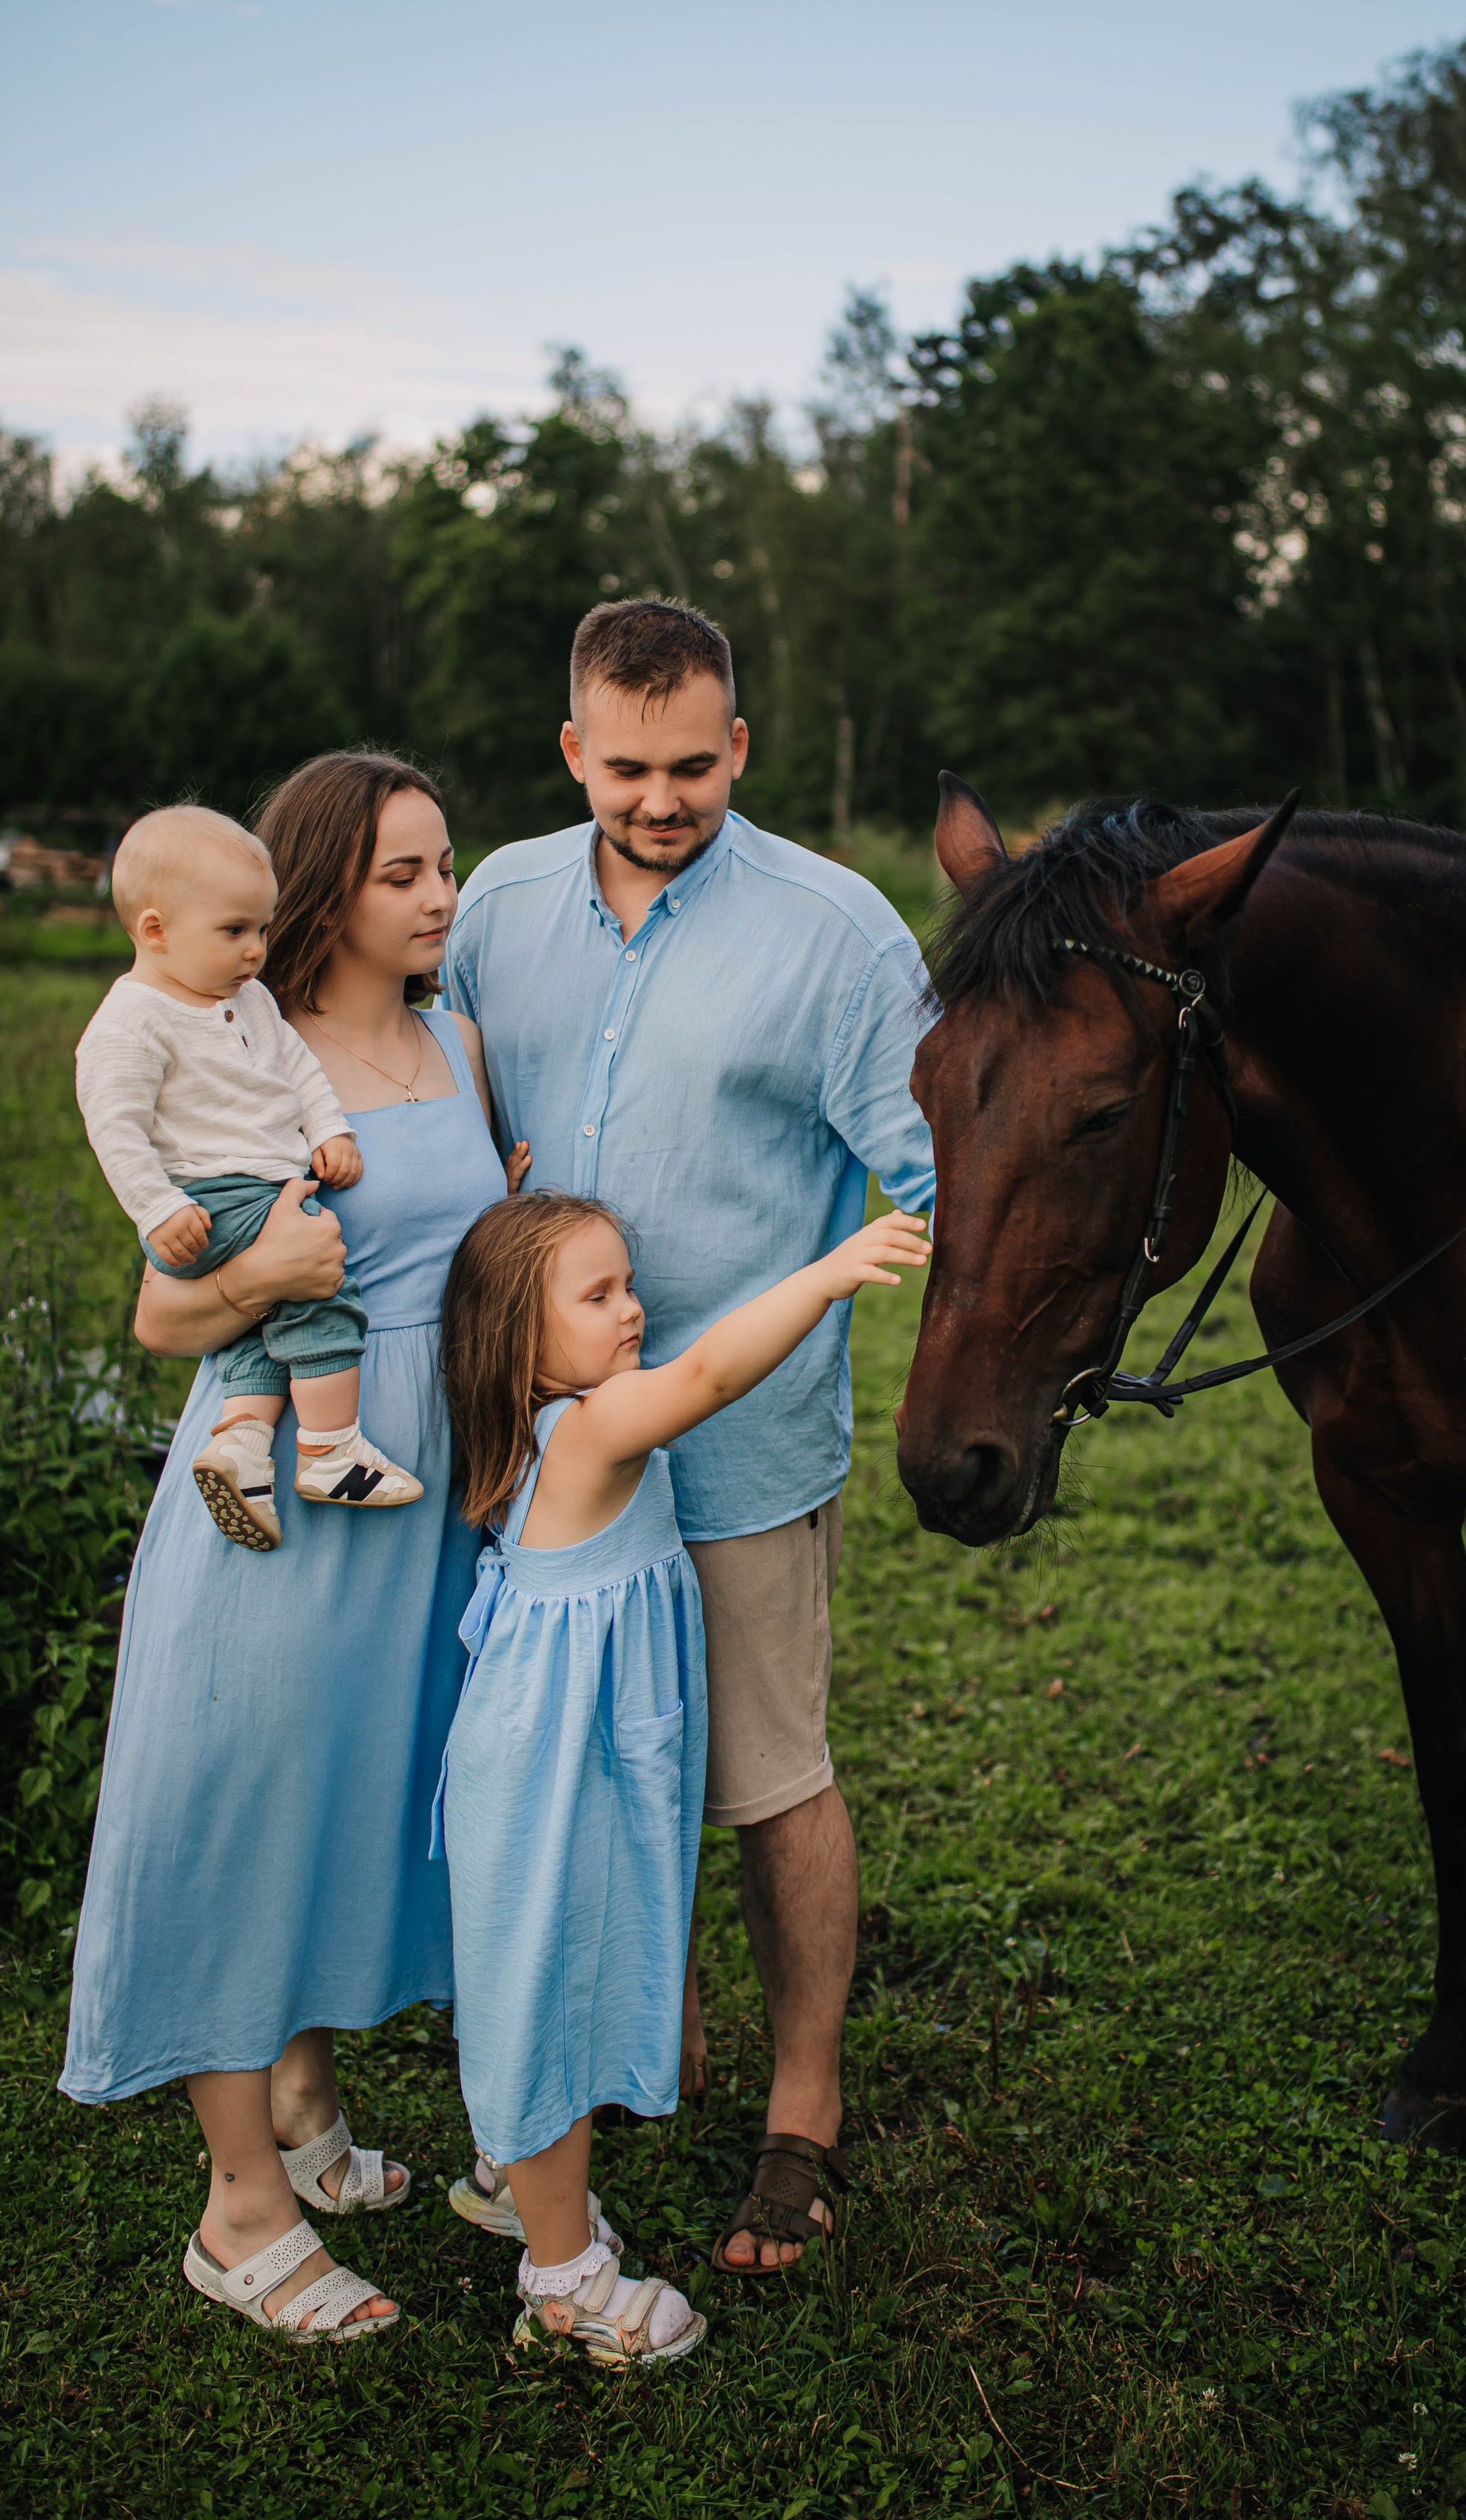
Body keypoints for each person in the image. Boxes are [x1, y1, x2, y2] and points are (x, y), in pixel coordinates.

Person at [442, 596, 936, 2277]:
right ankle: (655, 2032)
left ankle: (803, 2109)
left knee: (768, 1780)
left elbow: (938, 1174)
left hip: (740, 1450)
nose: (660, 799)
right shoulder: (494, 907)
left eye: (691, 766)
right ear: (572, 749)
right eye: (625, 768)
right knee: (578, 1767)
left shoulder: (840, 936)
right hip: (532, 1471)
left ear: (738, 744)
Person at [60, 753, 522, 2342]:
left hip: (425, 1492)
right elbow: (162, 1315)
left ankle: (308, 2103)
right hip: (279, 1498)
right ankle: (239, 2209)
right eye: (404, 873)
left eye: (445, 864)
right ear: (326, 887)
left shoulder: (457, 1042)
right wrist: (269, 1275)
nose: (441, 896)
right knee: (245, 1811)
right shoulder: (242, 1048)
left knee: (352, 1797)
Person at [437, 1187, 928, 2364]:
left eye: (629, 1284)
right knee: (553, 1993)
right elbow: (706, 1375)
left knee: (546, 1974)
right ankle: (562, 2283)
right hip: (554, 1764)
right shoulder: (592, 1429)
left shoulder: (537, 1427)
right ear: (519, 1340)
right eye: (597, 1295)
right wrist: (826, 1275)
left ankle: (524, 2186)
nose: (632, 1309)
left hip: (548, 1751)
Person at [75, 802, 422, 1552]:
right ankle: (330, 1449)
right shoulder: (133, 1021)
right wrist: (156, 1207)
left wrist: (328, 1129)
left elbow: (297, 1067)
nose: (256, 950)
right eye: (234, 931)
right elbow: (114, 1127)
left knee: (262, 1332)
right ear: (155, 931)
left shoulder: (249, 1000)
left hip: (256, 1186)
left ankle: (240, 1447)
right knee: (320, 1288)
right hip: (211, 1198)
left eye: (262, 929)